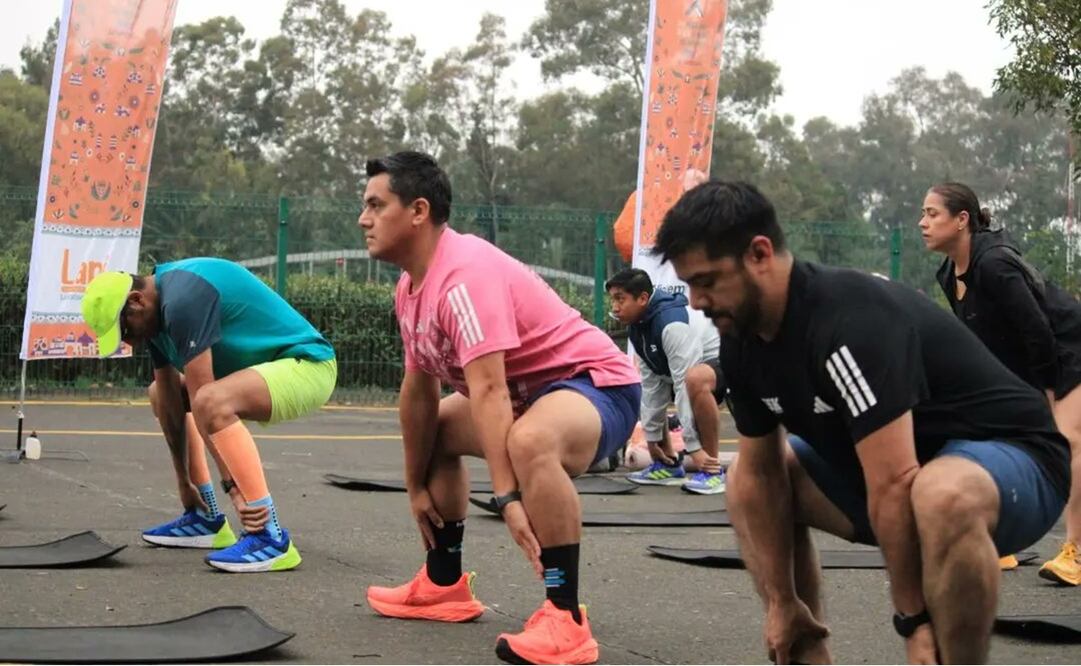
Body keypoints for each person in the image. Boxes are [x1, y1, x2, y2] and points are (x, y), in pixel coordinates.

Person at [654, 180, 1069, 663]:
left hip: (1018, 462)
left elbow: (894, 482)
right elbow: (763, 476)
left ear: (760, 254)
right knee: (747, 479)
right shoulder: (742, 338)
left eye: (707, 281)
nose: (696, 300)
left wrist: (914, 621)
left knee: (939, 493)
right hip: (909, 478)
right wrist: (781, 601)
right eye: (689, 284)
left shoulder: (846, 321)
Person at [358, 151, 640, 665]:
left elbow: (488, 391)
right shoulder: (410, 288)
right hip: (529, 397)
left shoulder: (463, 276)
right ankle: (443, 584)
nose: (364, 219)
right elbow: (418, 391)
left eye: (377, 205)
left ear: (418, 211)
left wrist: (508, 497)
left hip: (597, 386)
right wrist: (415, 484)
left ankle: (566, 618)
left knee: (531, 441)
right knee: (437, 431)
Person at [80, 259, 337, 572]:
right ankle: (205, 517)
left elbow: (204, 399)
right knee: (160, 393)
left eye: (125, 330)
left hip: (308, 366)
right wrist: (184, 484)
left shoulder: (182, 299)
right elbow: (171, 403)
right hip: (257, 373)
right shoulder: (156, 313)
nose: (128, 342)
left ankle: (269, 536)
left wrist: (233, 488)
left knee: (209, 401)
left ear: (136, 301)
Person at [921, 181, 1081, 586]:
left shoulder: (994, 265)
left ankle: (1076, 551)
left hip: (1069, 348)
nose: (922, 223)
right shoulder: (949, 273)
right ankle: (999, 542)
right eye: (923, 214)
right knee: (995, 437)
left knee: (1069, 440)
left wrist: (1046, 395)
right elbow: (986, 343)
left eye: (932, 214)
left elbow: (1037, 332)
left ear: (962, 220)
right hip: (1036, 359)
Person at [606, 267, 726, 493]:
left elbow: (683, 386)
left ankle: (712, 470)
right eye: (612, 299)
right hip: (689, 372)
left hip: (728, 362)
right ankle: (667, 464)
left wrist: (693, 448)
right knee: (658, 386)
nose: (614, 307)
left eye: (620, 299)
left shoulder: (672, 325)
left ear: (643, 299)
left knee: (694, 381)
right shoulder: (639, 327)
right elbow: (652, 388)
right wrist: (652, 441)